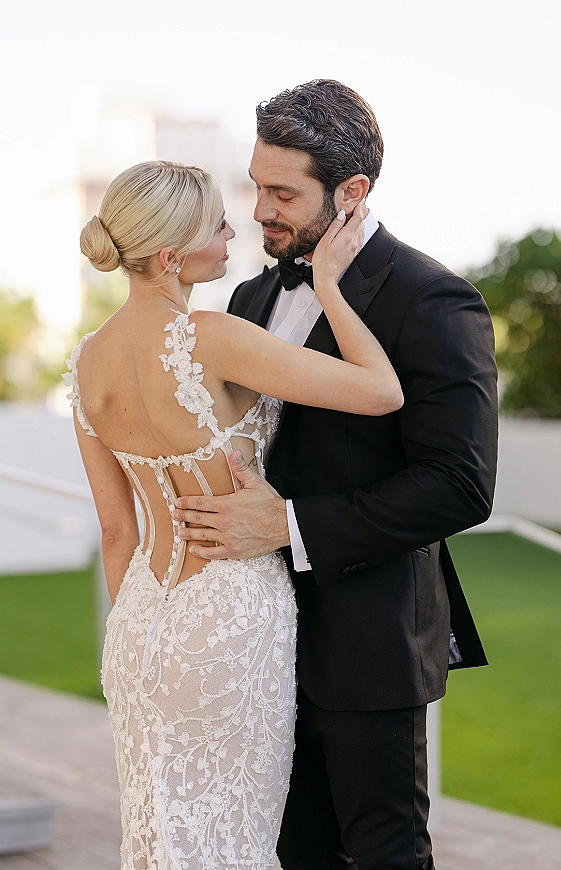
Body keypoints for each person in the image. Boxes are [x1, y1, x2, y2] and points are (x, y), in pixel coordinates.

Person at [172, 80, 499, 870]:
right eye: (256, 184)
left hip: (369, 647)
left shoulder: (435, 301)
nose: (260, 210)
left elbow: (461, 483)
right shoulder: (250, 297)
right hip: (257, 642)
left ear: (352, 192)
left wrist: (288, 525)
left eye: (284, 192)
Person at [65, 159, 403, 870]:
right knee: (233, 840)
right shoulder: (208, 337)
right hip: (228, 614)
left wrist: (144, 636)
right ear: (170, 255)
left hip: (138, 625)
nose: (233, 232)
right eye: (216, 224)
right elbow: (380, 392)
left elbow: (117, 530)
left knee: (159, 836)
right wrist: (331, 289)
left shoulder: (87, 362)